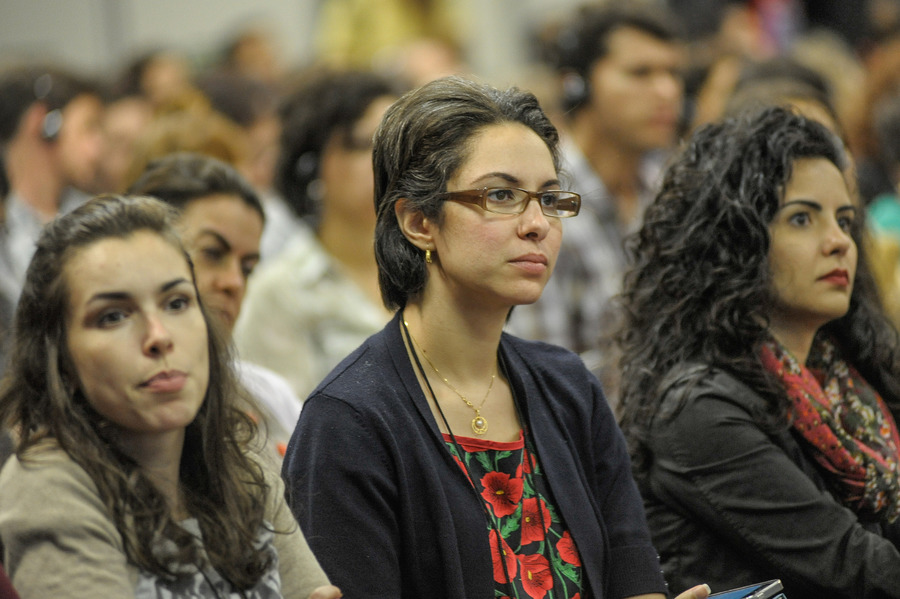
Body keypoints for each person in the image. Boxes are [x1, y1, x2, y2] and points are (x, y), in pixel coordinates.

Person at [282, 76, 709, 599]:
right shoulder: (349, 419)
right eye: (502, 195)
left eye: (550, 199)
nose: (537, 224)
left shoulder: (569, 386)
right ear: (419, 221)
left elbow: (633, 575)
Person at [617, 106, 900, 598]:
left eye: (845, 220)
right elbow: (857, 569)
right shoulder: (699, 409)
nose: (838, 242)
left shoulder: (849, 373)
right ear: (735, 238)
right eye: (802, 219)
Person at [0, 194, 340, 599]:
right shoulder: (48, 488)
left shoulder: (240, 459)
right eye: (113, 316)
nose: (159, 336)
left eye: (177, 302)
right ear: (61, 360)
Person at [507, 1, 686, 402]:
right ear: (578, 85)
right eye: (641, 73)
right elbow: (540, 377)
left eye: (673, 73)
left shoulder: (672, 187)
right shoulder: (539, 201)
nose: (667, 91)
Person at [234, 68, 397, 399]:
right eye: (361, 144)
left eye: (399, 141)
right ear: (310, 165)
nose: (389, 160)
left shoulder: (440, 266)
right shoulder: (280, 292)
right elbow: (286, 434)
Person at [127, 152, 303, 456]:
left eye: (247, 268)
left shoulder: (272, 396)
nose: (234, 282)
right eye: (212, 253)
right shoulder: (117, 395)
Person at [0, 65, 104, 309]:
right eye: (89, 126)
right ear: (45, 123)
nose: (98, 148)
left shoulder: (95, 214)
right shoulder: (5, 221)